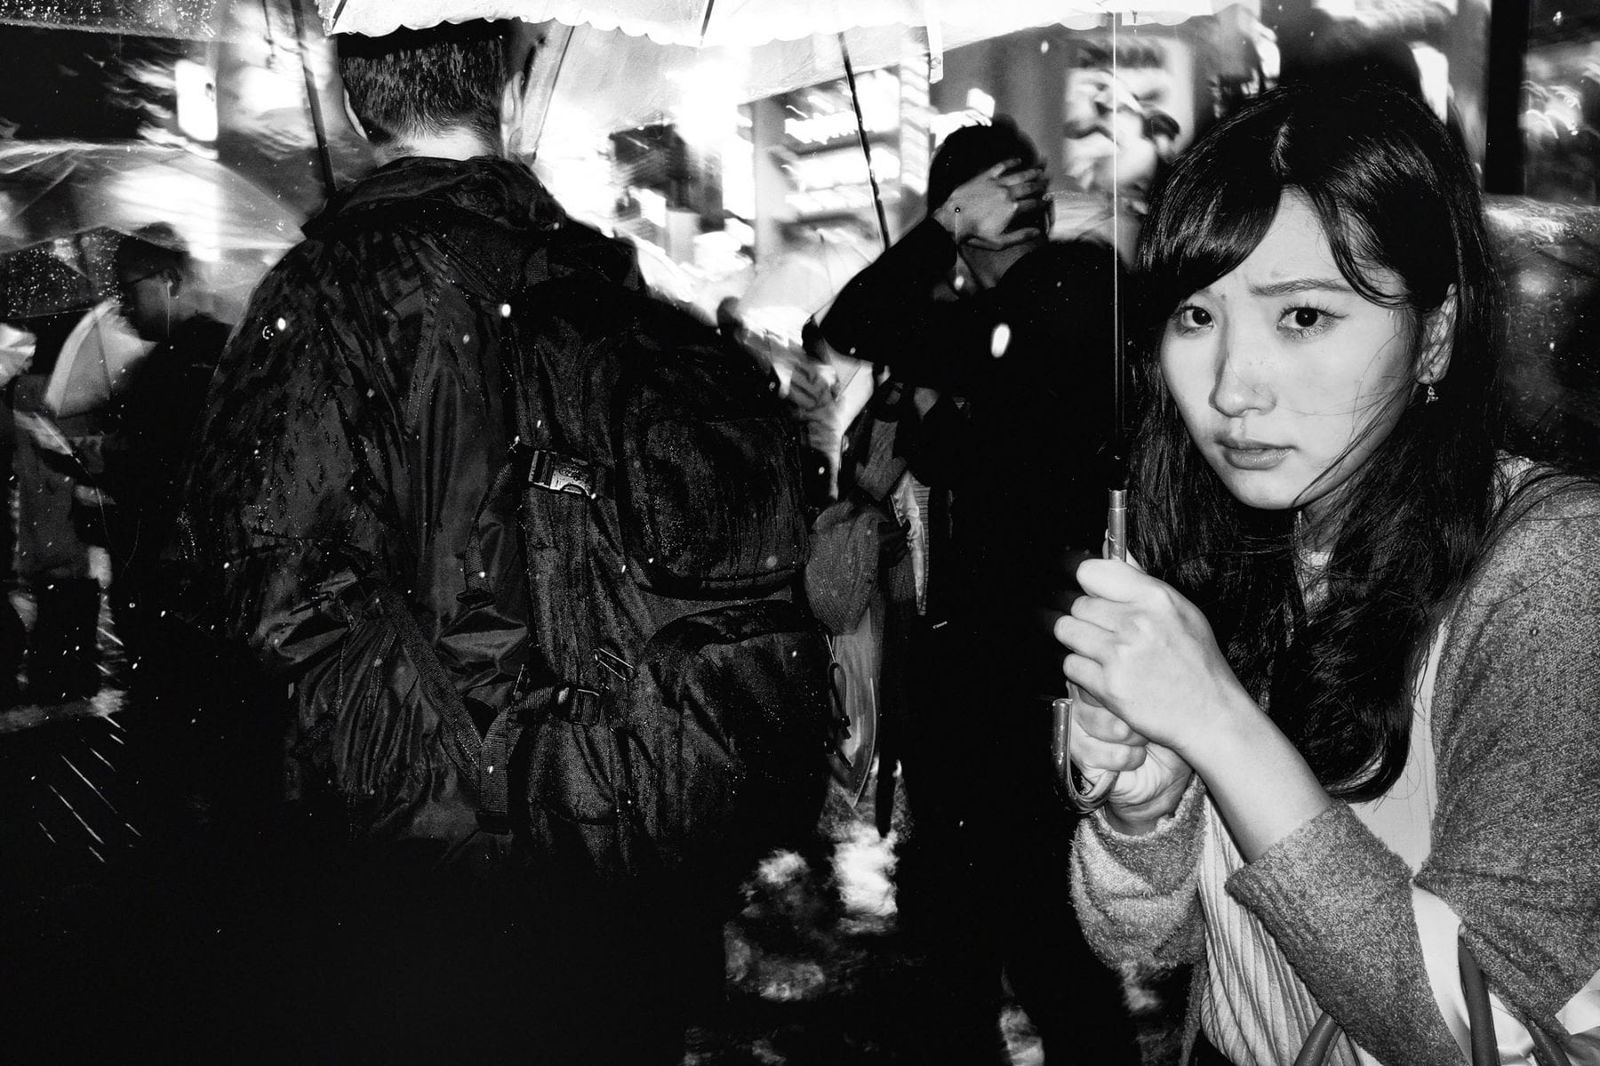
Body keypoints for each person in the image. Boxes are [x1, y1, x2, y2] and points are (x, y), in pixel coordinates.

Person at [170, 21, 707, 1064]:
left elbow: (270, 577)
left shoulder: (320, 292)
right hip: (607, 831)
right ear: (501, 93)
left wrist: (454, 788)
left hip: (428, 881)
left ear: (360, 110)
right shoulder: (602, 279)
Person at [1056, 81, 1600, 1066]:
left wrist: (1220, 724)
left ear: (1432, 333)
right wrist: (1141, 808)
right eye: (1194, 315)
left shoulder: (1553, 566)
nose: (1228, 387)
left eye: (1301, 316)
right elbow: (1154, 938)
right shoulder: (1222, 542)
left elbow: (1478, 1028)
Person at [819, 118, 1136, 1061]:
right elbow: (851, 325)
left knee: (1040, 925)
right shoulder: (980, 323)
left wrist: (945, 231)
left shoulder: (1074, 284)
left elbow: (880, 329)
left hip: (1036, 669)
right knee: (952, 928)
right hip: (964, 676)